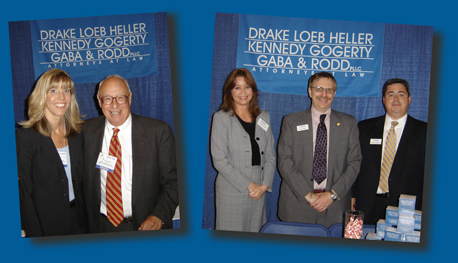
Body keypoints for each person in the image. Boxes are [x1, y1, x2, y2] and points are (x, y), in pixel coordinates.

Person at [82, 75, 178, 233]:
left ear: (130, 97)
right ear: (99, 101)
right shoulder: (84, 132)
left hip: (144, 226)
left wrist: (159, 215)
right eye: (108, 98)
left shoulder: (158, 132)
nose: (114, 105)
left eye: (120, 97)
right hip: (100, 227)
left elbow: (175, 181)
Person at [277, 72, 361, 228]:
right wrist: (308, 195)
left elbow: (354, 162)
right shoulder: (291, 121)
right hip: (298, 203)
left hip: (335, 206)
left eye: (329, 90)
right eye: (319, 88)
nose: (324, 94)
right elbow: (285, 161)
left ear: (334, 93)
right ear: (310, 91)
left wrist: (333, 194)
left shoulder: (349, 123)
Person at [16, 69, 86, 237]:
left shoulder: (77, 134)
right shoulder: (26, 137)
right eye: (53, 90)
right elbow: (24, 192)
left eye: (66, 90)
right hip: (45, 225)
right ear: (42, 95)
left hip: (80, 222)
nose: (61, 97)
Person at [352, 78, 427, 225]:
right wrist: (352, 196)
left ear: (409, 99)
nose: (396, 99)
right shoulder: (365, 128)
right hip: (367, 205)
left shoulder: (425, 132)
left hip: (406, 209)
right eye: (391, 95)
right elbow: (354, 164)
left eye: (401, 94)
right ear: (384, 99)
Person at [210, 68, 276, 232]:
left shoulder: (264, 116)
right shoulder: (221, 118)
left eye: (247, 87)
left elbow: (270, 155)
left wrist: (264, 184)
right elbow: (219, 160)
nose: (243, 92)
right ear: (229, 92)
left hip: (259, 191)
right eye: (237, 87)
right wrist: (249, 185)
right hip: (232, 190)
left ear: (253, 90)